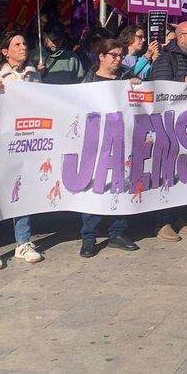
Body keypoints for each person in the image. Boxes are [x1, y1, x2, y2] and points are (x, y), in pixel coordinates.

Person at [0, 33, 45, 270]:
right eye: (17, 44)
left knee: (22, 193)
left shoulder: (35, 76)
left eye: (25, 43)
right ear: (5, 51)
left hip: (25, 140)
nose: (23, 47)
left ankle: (23, 242)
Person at [77, 39, 145, 255]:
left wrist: (136, 85)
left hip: (122, 141)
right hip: (95, 142)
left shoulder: (126, 77)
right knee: (94, 186)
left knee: (120, 185)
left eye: (120, 55)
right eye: (113, 55)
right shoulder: (88, 80)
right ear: (101, 57)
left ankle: (118, 231)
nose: (118, 59)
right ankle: (89, 236)